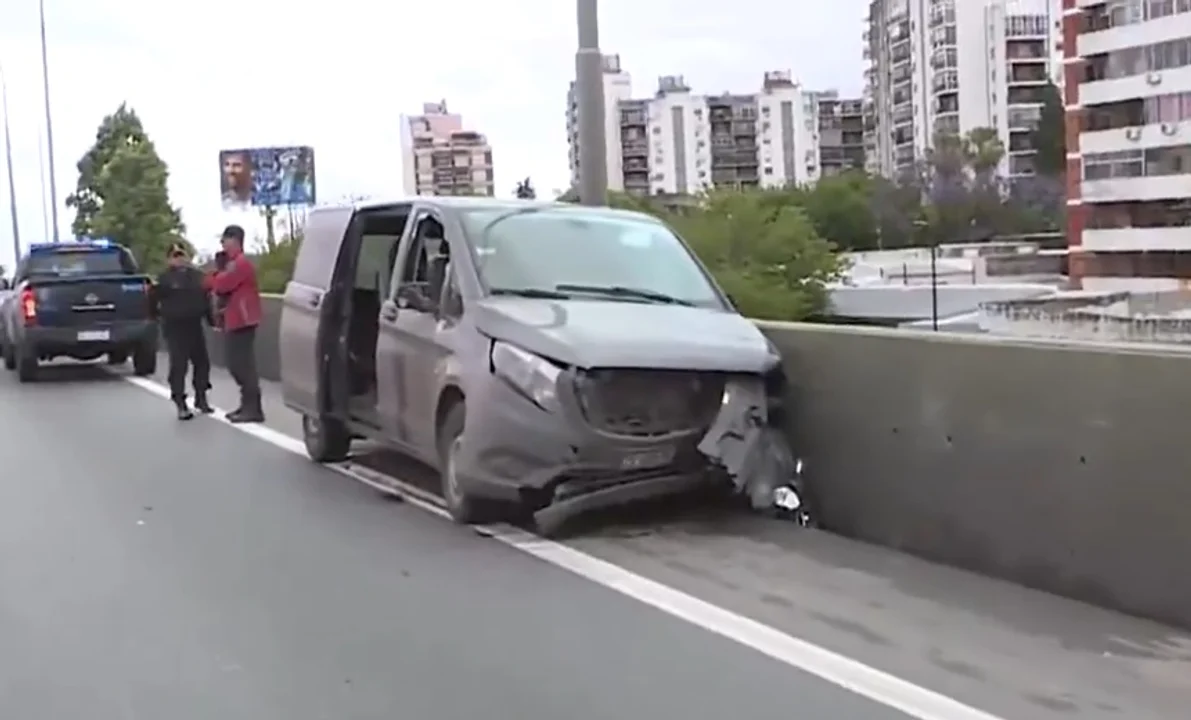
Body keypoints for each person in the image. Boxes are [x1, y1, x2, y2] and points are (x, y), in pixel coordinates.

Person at [208, 224, 264, 423]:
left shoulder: (240, 264)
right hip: (236, 319)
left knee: (241, 364)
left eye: (225, 240)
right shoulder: (234, 263)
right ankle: (248, 405)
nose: (222, 244)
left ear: (235, 240)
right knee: (238, 363)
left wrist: (218, 274)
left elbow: (221, 285)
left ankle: (253, 407)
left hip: (242, 319)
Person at [156, 242, 214, 420]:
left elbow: (206, 299)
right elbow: (152, 301)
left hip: (194, 325)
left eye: (181, 255)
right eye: (175, 256)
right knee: (179, 366)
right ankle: (180, 402)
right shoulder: (164, 279)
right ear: (169, 259)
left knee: (202, 363)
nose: (179, 259)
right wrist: (156, 318)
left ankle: (201, 397)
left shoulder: (197, 276)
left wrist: (211, 320)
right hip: (175, 327)